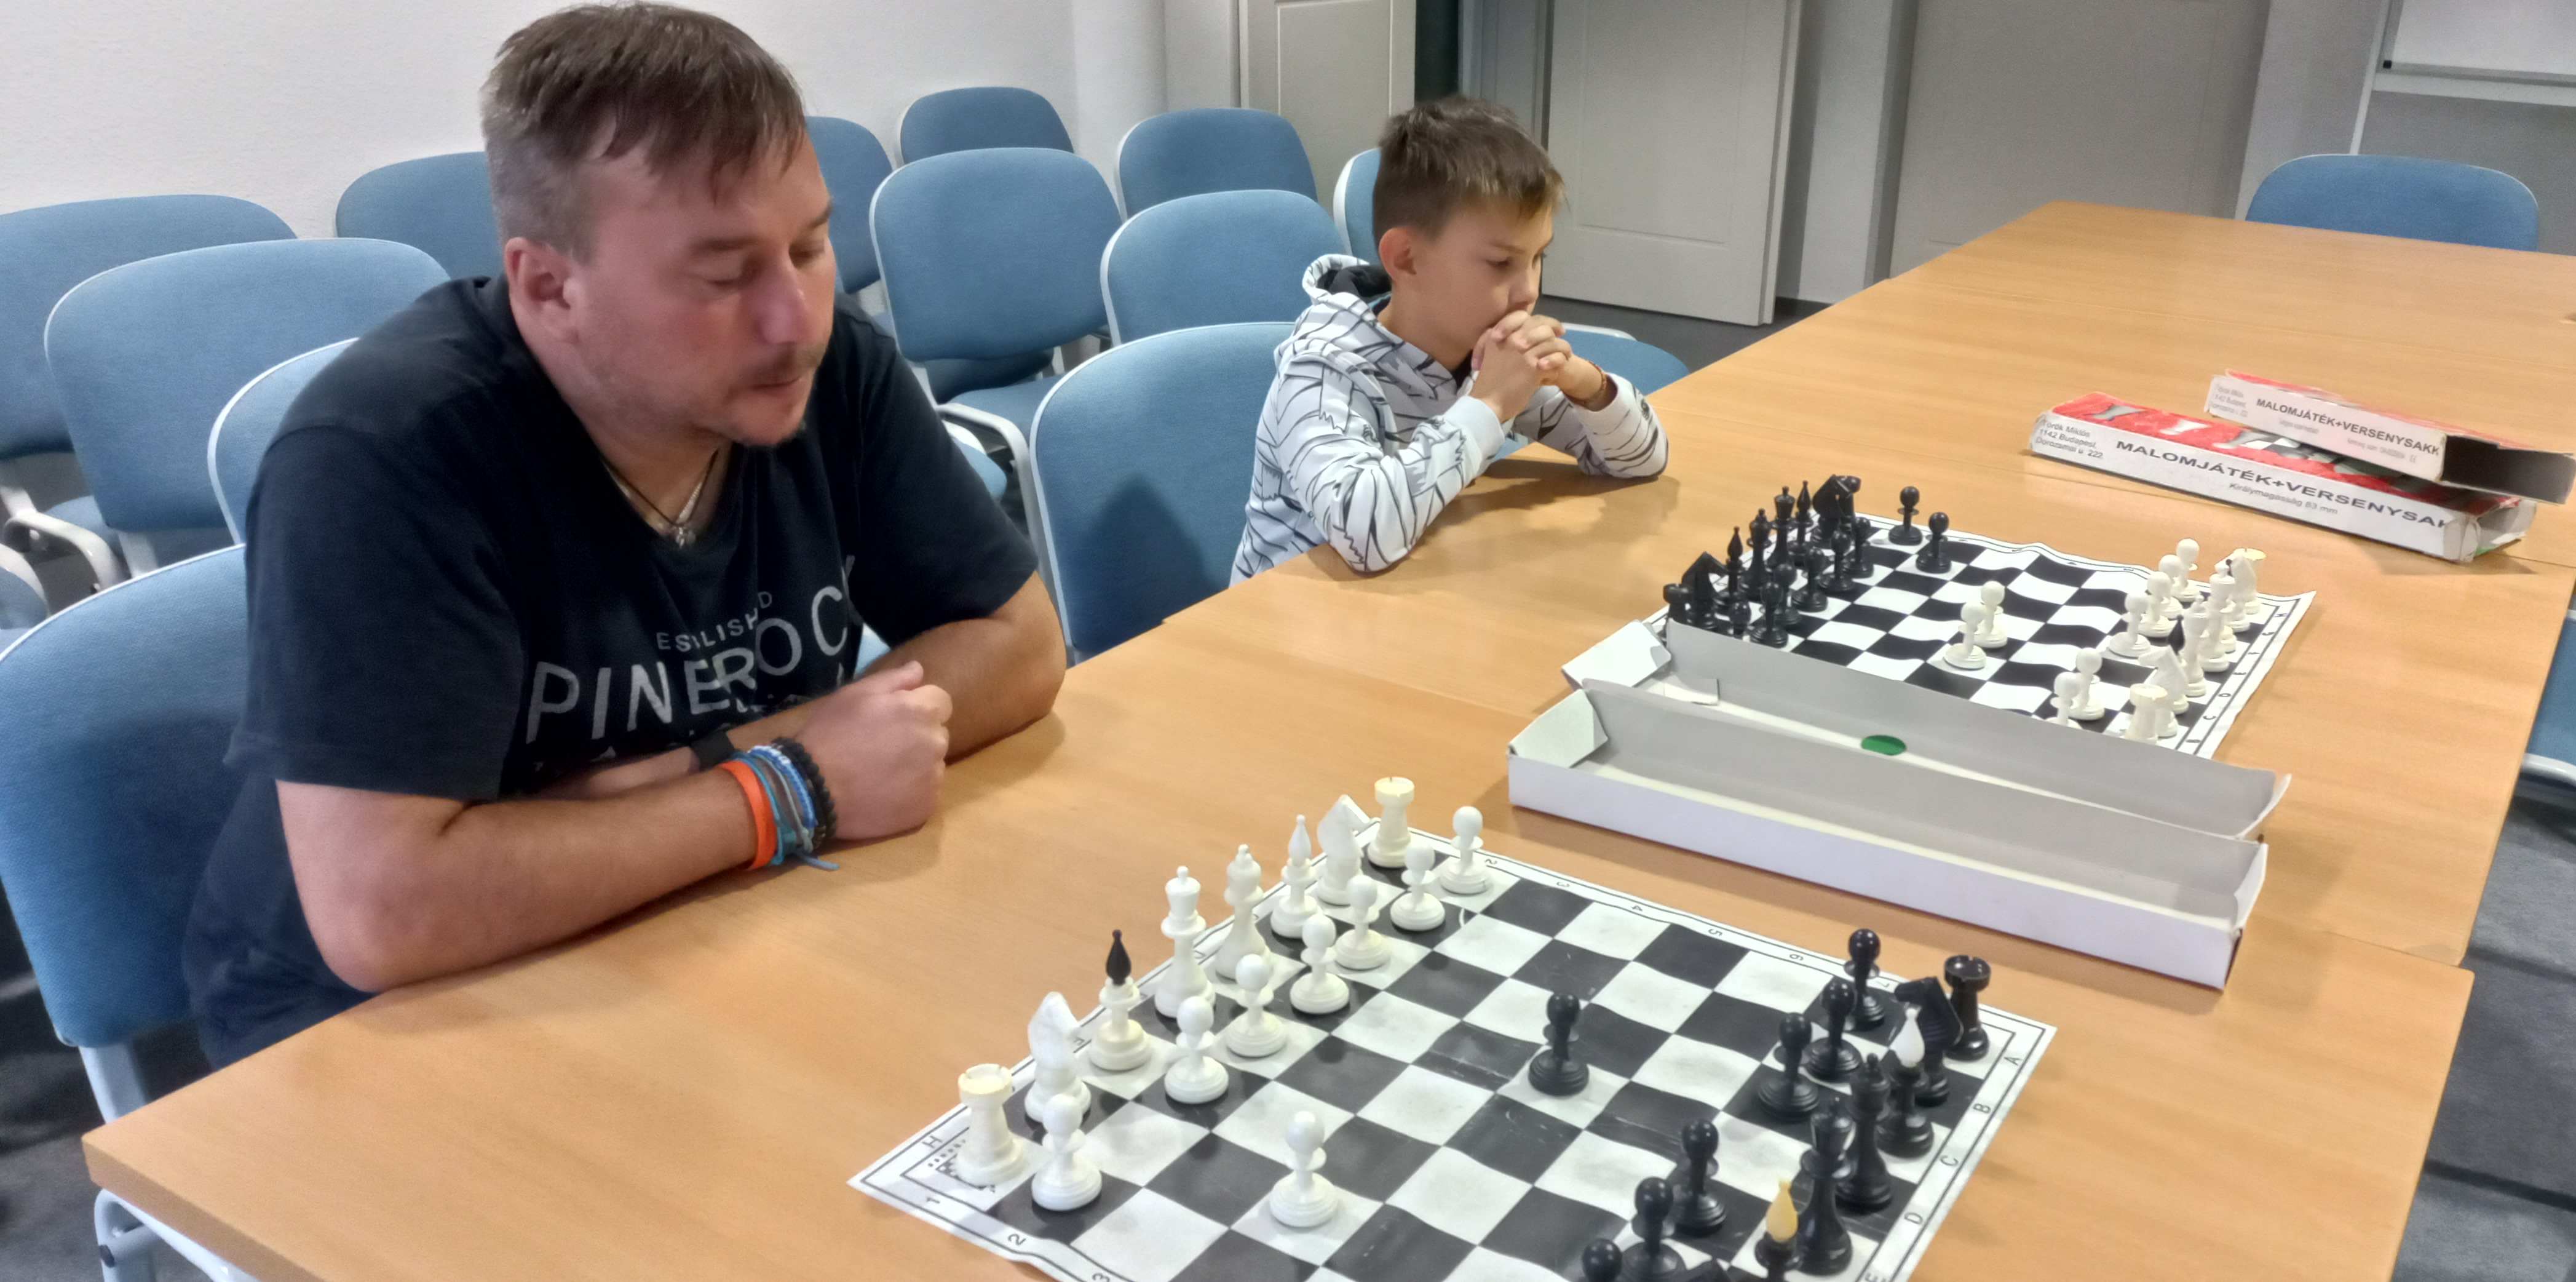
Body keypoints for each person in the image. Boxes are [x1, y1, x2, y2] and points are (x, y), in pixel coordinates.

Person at [183, 2, 1064, 1065]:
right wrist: (792, 780)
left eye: (810, 245)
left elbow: (1020, 641)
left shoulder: (825, 370)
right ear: (548, 286)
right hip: (363, 1025)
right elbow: (385, 911)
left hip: (688, 903)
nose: (795, 319)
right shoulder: (381, 454)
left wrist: (694, 778)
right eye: (724, 275)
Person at [1230, 97, 1668, 580]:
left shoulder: (1480, 347)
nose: (1529, 291)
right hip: (1287, 613)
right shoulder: (1323, 367)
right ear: (1407, 260)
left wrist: (1583, 382)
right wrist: (1489, 405)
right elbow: (1363, 536)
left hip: (1406, 594)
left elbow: (1640, 461)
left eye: (1538, 258)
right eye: (1500, 263)